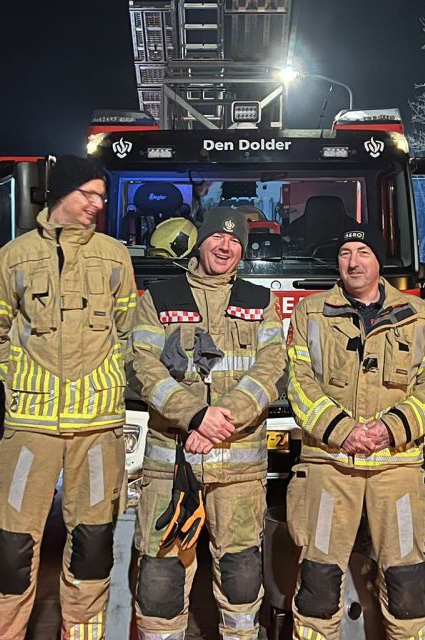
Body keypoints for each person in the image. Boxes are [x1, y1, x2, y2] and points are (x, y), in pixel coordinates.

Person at [0, 155, 137, 639]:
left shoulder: (115, 256)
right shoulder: (14, 256)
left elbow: (131, 331)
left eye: (102, 197)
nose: (97, 204)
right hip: (30, 429)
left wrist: (110, 372)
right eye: (88, 194)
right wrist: (19, 376)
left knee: (92, 546)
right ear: (60, 193)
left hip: (97, 430)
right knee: (10, 549)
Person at [285, 224, 425, 640]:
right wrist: (342, 430)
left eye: (362, 251)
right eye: (345, 253)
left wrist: (392, 429)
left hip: (397, 471)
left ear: (379, 260)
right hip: (329, 466)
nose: (353, 261)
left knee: (407, 585)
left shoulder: (419, 316)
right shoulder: (310, 312)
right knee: (318, 584)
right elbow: (297, 380)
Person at [128, 208, 285, 638]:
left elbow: (272, 369)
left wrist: (222, 418)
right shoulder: (158, 298)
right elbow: (143, 368)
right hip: (171, 468)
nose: (225, 246)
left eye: (235, 242)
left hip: (238, 471)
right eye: (217, 237)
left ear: (243, 251)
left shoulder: (259, 301)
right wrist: (195, 415)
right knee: (159, 581)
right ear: (200, 242)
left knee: (241, 576)